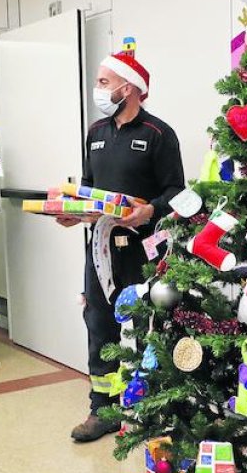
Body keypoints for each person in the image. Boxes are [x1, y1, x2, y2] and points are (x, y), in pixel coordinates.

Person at [61, 44, 185, 442]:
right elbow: (87, 189)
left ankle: (156, 410)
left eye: (103, 82)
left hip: (145, 250)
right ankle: (105, 410)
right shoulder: (95, 133)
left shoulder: (159, 134)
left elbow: (176, 193)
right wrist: (73, 212)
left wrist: (149, 211)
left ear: (128, 88)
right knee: (99, 323)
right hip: (100, 248)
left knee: (150, 325)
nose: (98, 89)